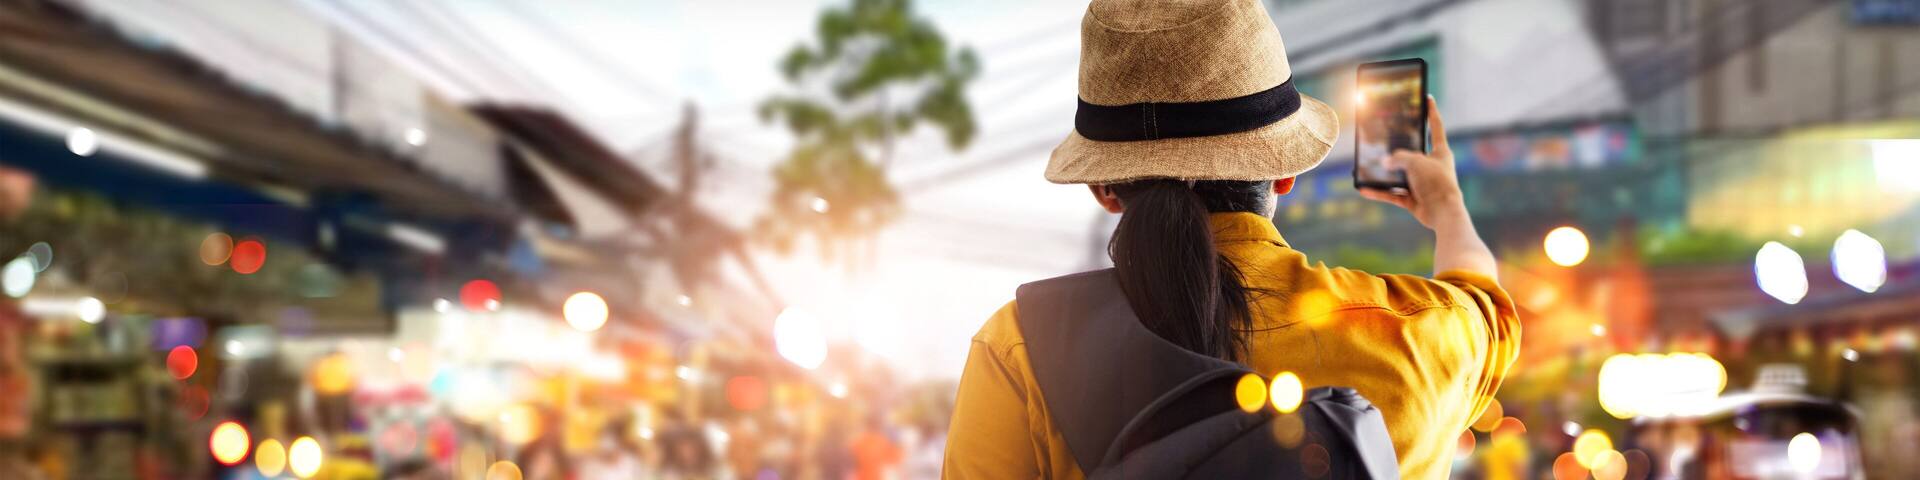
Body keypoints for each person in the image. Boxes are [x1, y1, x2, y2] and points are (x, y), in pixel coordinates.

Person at [941, 0, 1520, 478]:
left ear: (1103, 189)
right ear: (1286, 171)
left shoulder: (1019, 347)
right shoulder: (1418, 334)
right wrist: (1447, 209)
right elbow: (1487, 306)